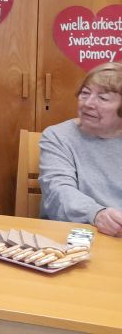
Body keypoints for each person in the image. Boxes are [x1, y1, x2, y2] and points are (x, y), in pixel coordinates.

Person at [39, 62, 122, 237]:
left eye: (103, 98)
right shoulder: (58, 136)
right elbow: (58, 192)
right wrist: (96, 214)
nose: (88, 104)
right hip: (72, 237)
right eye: (85, 93)